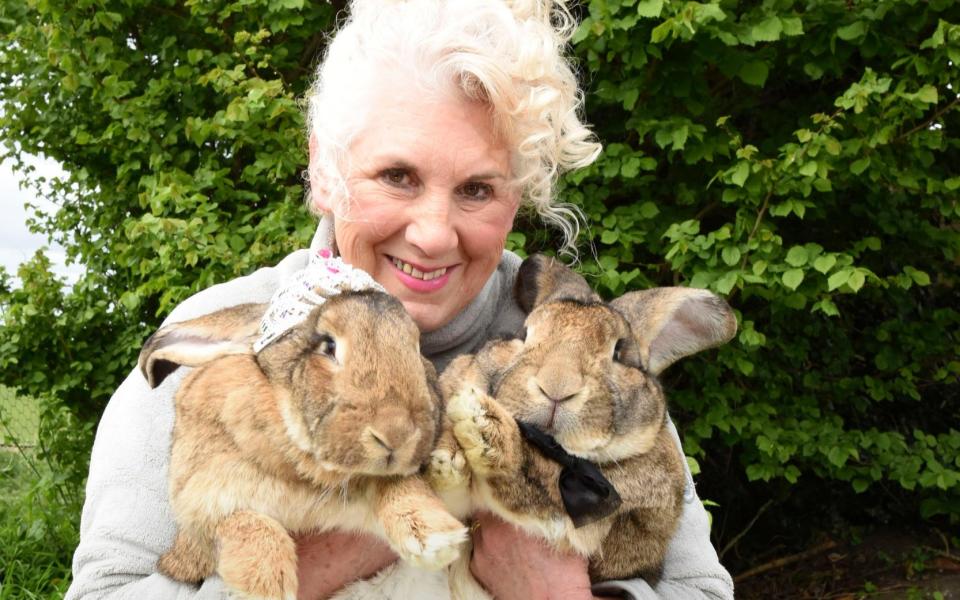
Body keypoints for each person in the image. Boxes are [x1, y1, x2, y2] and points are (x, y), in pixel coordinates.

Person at [66, 1, 735, 599]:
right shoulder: (230, 335)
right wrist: (335, 546)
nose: (434, 233)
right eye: (396, 176)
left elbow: (699, 587)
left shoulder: (569, 345)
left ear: (518, 197)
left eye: (478, 189)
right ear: (325, 171)